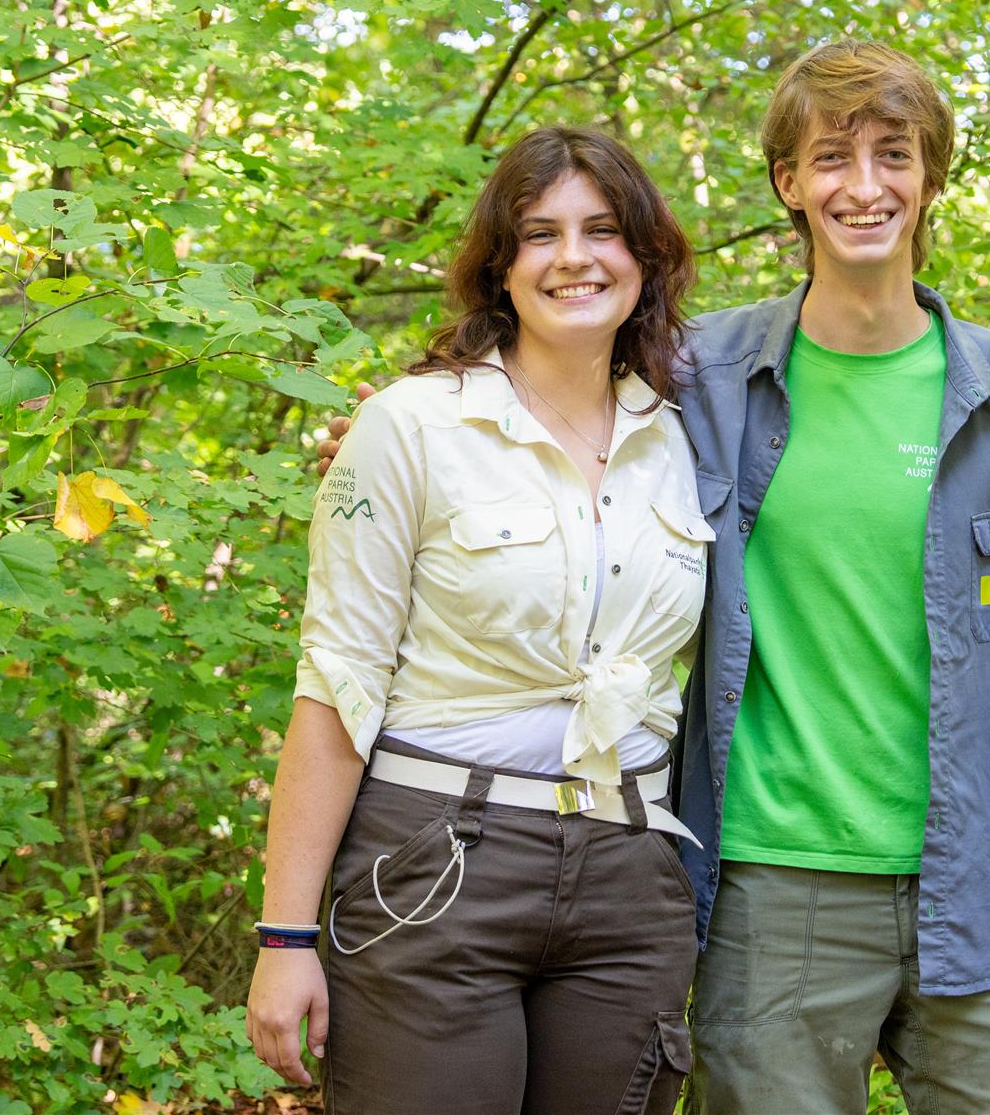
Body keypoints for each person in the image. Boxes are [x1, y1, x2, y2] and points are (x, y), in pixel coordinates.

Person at [318, 40, 990, 1114]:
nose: (863, 186)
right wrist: (393, 429)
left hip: (984, 889)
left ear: (931, 175)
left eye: (893, 155)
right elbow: (546, 393)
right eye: (831, 158)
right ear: (788, 182)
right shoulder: (701, 379)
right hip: (771, 890)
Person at [249, 126, 709, 1115]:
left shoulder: (687, 433)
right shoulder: (409, 428)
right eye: (539, 234)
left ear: (645, 256)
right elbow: (334, 690)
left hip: (630, 874)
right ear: (499, 268)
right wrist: (283, 939)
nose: (573, 258)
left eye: (602, 231)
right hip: (436, 863)